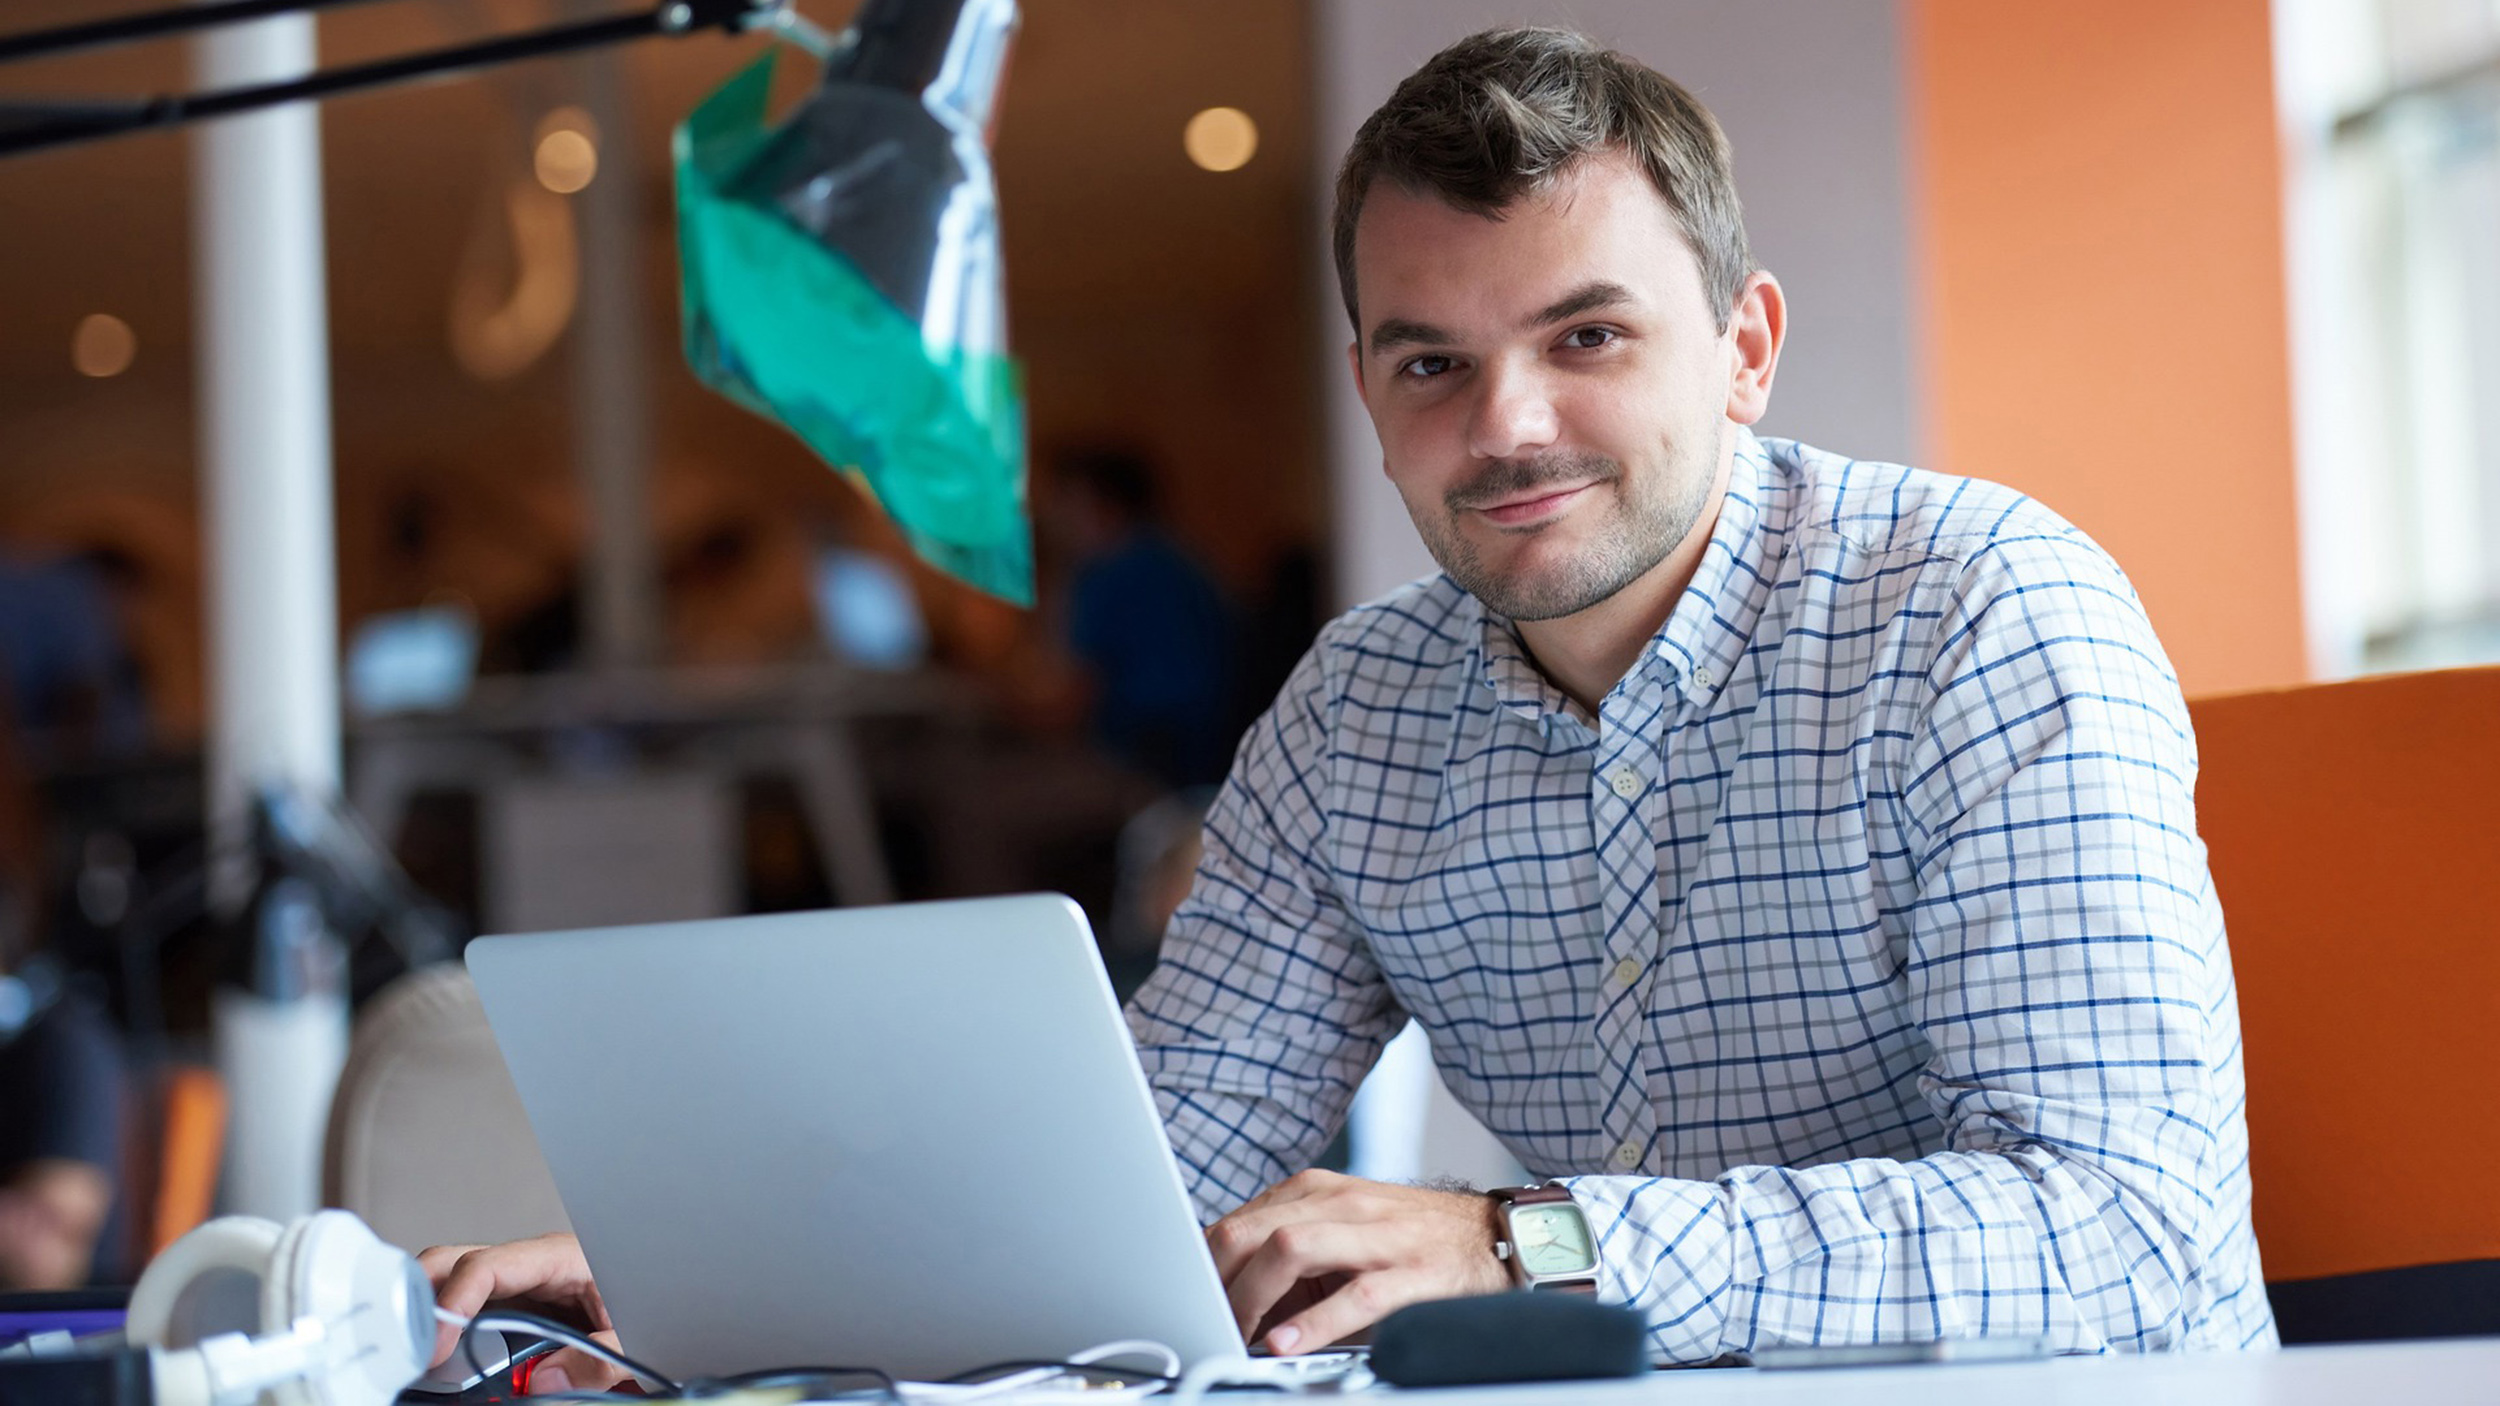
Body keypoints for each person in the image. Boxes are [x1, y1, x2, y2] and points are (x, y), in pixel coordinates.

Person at [421, 27, 2274, 1387]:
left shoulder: (1983, 611)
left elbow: (2119, 1226)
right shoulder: (1360, 712)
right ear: (1373, 397)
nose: (1510, 424)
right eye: (1433, 363)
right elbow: (1144, 1172)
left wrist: (1521, 1240)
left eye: (1588, 336)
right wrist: (710, 1274)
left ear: (1749, 346)